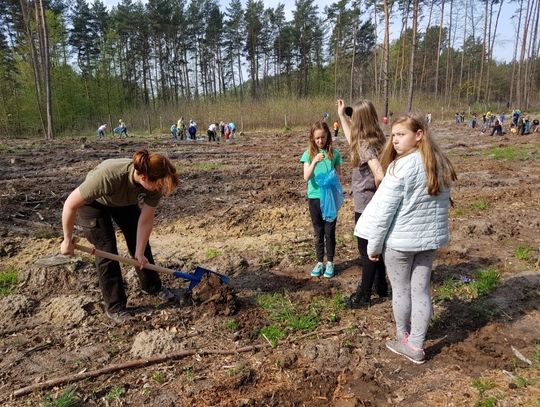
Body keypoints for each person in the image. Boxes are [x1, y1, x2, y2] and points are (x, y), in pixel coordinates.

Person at [355, 114, 457, 364]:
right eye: (394, 135)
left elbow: (383, 213)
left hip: (399, 244)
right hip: (427, 243)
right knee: (421, 291)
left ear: (419, 135)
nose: (395, 140)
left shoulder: (400, 167)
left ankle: (404, 339)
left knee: (401, 291)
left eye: (401, 135)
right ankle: (417, 344)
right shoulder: (439, 164)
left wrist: (374, 246)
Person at [60, 150, 179, 324]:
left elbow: (145, 220)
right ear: (142, 176)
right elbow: (70, 204)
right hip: (94, 204)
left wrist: (139, 252)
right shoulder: (109, 175)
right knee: (106, 249)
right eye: (157, 184)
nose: (159, 189)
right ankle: (115, 307)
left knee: (141, 245)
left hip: (123, 203)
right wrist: (67, 239)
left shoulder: (155, 182)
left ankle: (152, 287)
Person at [337, 99, 388, 308]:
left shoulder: (366, 146)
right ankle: (381, 287)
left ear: (360, 120)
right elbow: (352, 140)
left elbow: (380, 174)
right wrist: (342, 116)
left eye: (353, 118)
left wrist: (376, 192)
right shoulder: (374, 140)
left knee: (366, 250)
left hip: (367, 206)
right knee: (376, 246)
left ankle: (364, 295)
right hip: (370, 204)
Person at [300, 121, 343, 278]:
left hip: (329, 198)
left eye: (323, 137)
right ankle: (319, 262)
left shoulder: (335, 154)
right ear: (312, 138)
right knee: (318, 231)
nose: (320, 141)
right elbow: (306, 176)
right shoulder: (308, 154)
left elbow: (338, 175)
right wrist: (315, 161)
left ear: (328, 136)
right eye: (317, 138)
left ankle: (330, 262)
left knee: (329, 231)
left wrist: (331, 178)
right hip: (315, 198)